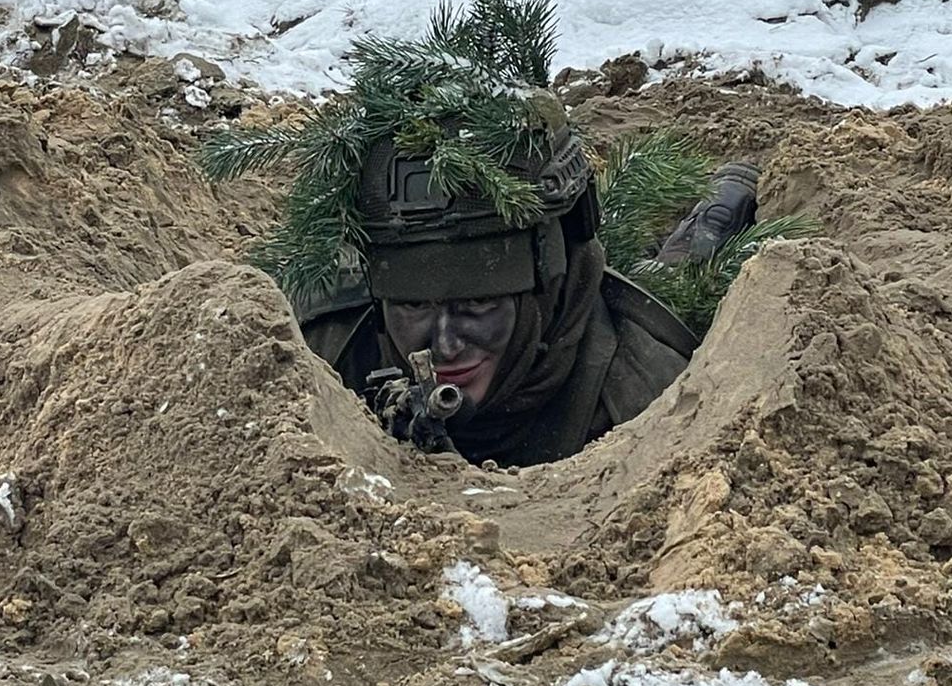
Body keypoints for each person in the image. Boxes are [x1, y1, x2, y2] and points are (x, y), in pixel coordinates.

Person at [299, 112, 758, 469]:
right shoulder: (331, 348)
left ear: (546, 286)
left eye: (478, 302)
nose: (445, 345)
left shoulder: (641, 393)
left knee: (674, 273)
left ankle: (718, 210)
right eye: (414, 303)